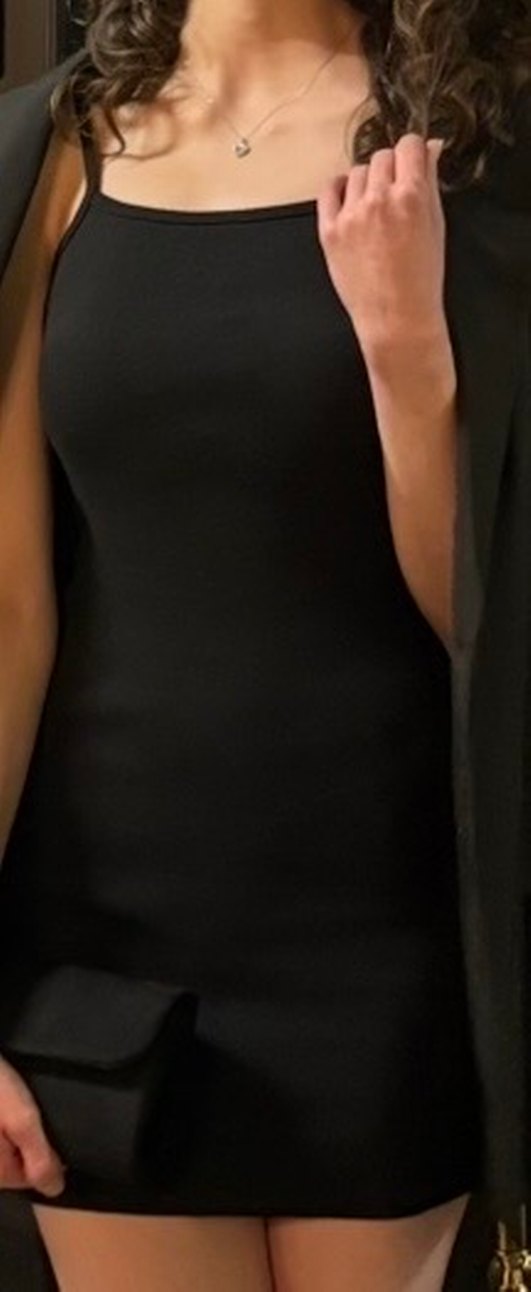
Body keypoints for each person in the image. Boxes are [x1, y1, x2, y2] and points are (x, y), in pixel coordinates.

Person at [0, 1, 529, 1289]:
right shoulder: (46, 155)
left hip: (392, 955)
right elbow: (9, 613)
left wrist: (409, 357)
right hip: (99, 961)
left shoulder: (482, 150)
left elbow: (486, 626)